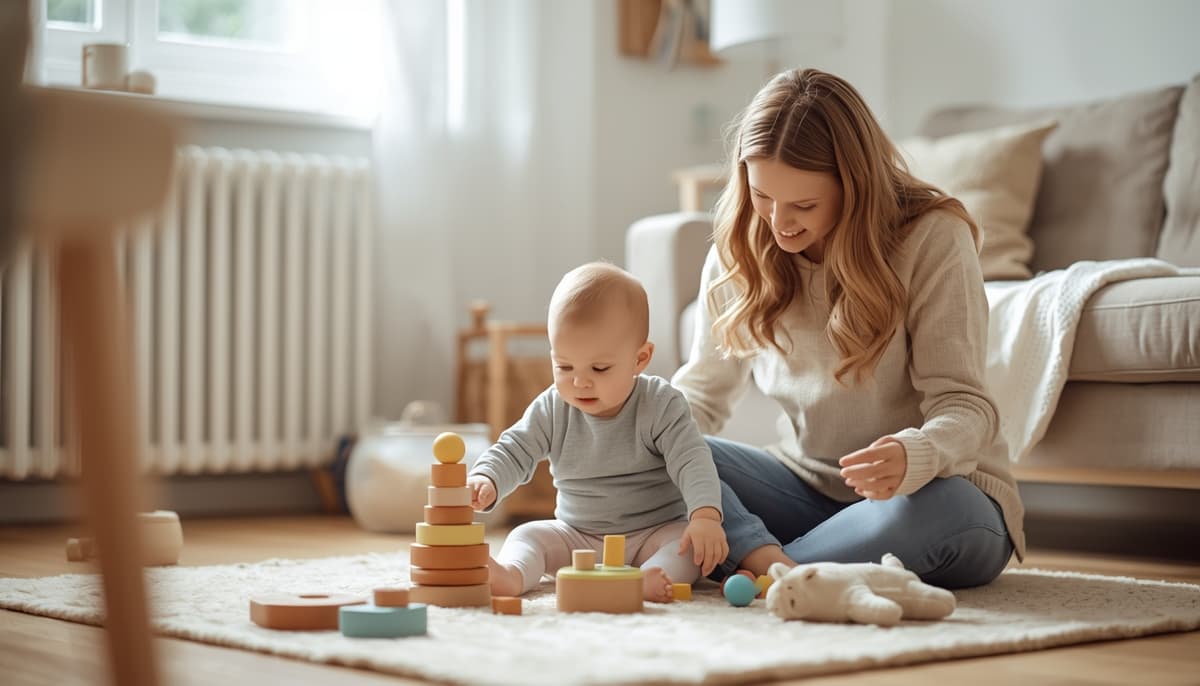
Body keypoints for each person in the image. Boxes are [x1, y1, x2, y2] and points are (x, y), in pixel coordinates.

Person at [672, 68, 1025, 589]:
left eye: (804, 205)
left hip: (932, 493)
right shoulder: (742, 247)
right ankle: (788, 570)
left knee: (931, 510)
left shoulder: (933, 238)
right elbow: (699, 394)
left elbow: (966, 406)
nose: (778, 222)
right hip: (800, 489)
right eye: (763, 196)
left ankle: (759, 566)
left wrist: (916, 454)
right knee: (664, 449)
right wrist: (623, 430)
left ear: (855, 186)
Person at [467, 262, 728, 602]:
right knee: (526, 534)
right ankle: (513, 577)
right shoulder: (552, 407)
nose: (580, 381)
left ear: (640, 359)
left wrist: (705, 516)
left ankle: (644, 579)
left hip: (651, 534)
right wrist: (487, 477)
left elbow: (692, 461)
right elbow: (516, 448)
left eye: (599, 368)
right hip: (577, 537)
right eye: (564, 366)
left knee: (685, 545)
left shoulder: (661, 403)